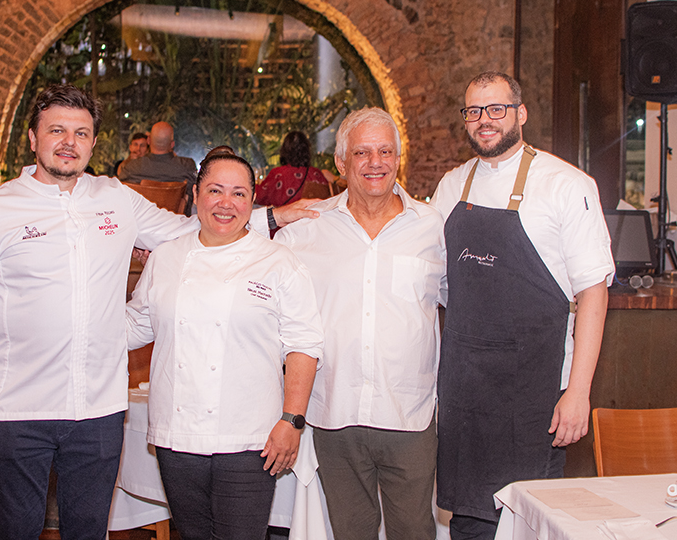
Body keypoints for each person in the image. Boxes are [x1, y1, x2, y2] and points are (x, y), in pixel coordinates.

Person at [0, 84, 315, 540]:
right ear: (33, 138)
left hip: (99, 410)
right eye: (56, 130)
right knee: (17, 531)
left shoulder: (117, 199)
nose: (68, 142)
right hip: (18, 408)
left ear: (94, 143)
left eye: (81, 133)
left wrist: (271, 219)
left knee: (89, 532)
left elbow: (190, 230)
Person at [430, 71, 614, 540]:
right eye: (473, 111)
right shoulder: (452, 187)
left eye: (496, 109)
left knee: (530, 525)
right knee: (469, 525)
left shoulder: (567, 185)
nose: (484, 120)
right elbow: (438, 286)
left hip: (537, 394)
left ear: (521, 113)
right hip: (466, 393)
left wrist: (577, 393)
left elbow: (594, 292)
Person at [126, 153, 324, 540]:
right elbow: (136, 324)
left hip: (250, 438)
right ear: (196, 195)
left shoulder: (278, 261)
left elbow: (304, 344)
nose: (226, 202)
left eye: (238, 193)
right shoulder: (166, 256)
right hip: (176, 437)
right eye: (215, 190)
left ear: (252, 202)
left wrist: (292, 420)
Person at [274, 107, 446, 540]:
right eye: (363, 152)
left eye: (385, 151)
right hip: (335, 413)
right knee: (350, 533)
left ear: (398, 158)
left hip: (409, 414)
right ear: (341, 163)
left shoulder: (432, 227)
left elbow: (462, 306)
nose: (376, 162)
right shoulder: (306, 230)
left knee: (415, 532)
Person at [118, 122, 197, 214]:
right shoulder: (187, 166)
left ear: (148, 140)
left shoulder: (131, 168)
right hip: (176, 225)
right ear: (172, 144)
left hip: (140, 224)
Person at [256, 131, 329, 206]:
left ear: (284, 150)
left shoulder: (277, 174)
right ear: (307, 151)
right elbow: (327, 201)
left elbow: (260, 196)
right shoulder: (316, 174)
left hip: (286, 217)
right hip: (313, 216)